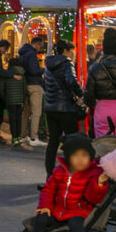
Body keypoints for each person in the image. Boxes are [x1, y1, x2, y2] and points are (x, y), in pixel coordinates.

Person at [29, 133, 109, 232]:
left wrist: (99, 183)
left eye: (84, 155)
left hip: (78, 210)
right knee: (41, 218)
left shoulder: (93, 173)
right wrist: (45, 206)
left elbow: (93, 198)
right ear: (68, 157)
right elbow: (48, 190)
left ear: (90, 157)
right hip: (58, 210)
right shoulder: (59, 171)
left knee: (76, 226)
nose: (80, 159)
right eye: (75, 155)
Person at [43, 40, 83, 176]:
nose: (74, 53)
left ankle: (50, 174)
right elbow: (71, 81)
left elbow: (46, 85)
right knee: (71, 142)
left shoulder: (48, 64)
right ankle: (70, 174)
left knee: (53, 142)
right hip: (66, 108)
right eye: (72, 50)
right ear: (66, 50)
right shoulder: (67, 63)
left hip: (50, 108)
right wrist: (80, 94)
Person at [84, 28, 116, 139]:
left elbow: (89, 96)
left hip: (103, 110)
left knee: (103, 146)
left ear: (104, 48)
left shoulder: (95, 68)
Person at [18, 37, 46, 147]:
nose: (41, 48)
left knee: (25, 112)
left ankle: (22, 135)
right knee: (36, 112)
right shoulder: (31, 54)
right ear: (36, 44)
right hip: (34, 85)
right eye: (40, 45)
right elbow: (34, 71)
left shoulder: (23, 53)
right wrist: (44, 69)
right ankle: (34, 137)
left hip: (25, 84)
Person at [3, 57, 30, 150]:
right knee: (18, 119)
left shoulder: (7, 74)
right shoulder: (22, 74)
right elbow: (24, 88)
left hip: (10, 100)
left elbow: (3, 87)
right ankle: (18, 137)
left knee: (12, 120)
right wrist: (23, 99)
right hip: (19, 101)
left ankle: (14, 138)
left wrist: (4, 97)